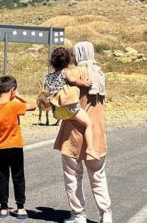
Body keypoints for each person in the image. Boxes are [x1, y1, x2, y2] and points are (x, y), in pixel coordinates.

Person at [54, 42, 112, 223]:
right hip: (96, 134)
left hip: (73, 134)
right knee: (98, 176)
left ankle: (78, 215)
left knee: (73, 177)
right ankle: (106, 213)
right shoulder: (100, 74)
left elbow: (59, 99)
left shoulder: (74, 74)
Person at [0, 75, 37, 219]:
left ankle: (4, 208)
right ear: (12, 90)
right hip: (15, 146)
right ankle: (21, 208)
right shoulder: (14, 105)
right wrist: (19, 96)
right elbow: (34, 105)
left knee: (2, 176)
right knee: (18, 176)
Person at [45, 47, 99, 160]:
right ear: (67, 61)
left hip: (57, 111)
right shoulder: (66, 72)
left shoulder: (48, 76)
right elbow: (74, 80)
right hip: (70, 108)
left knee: (72, 121)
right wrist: (85, 83)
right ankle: (90, 148)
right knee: (89, 123)